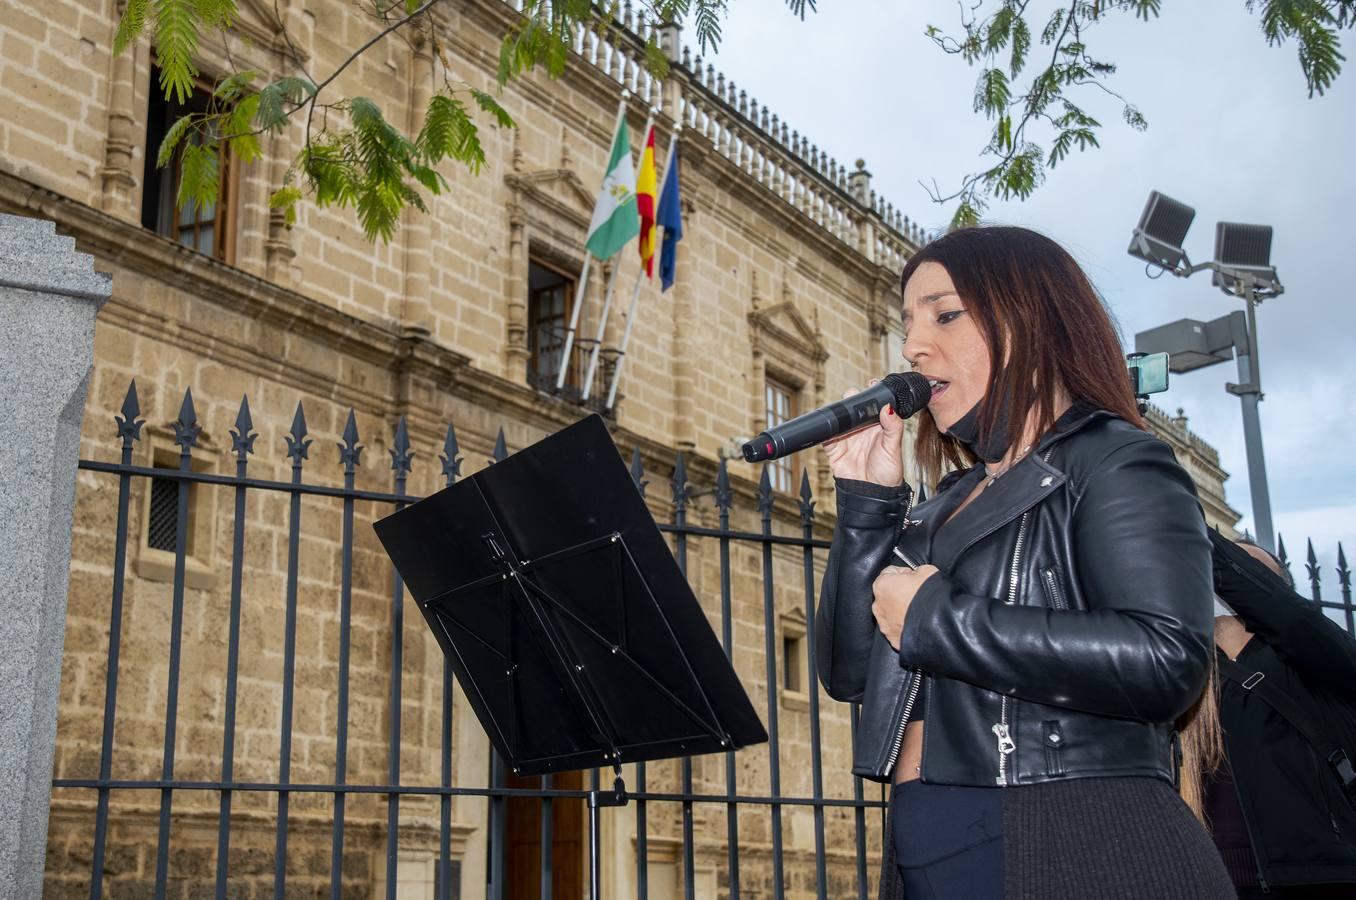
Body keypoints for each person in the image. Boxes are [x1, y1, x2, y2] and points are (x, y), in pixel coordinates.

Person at [814, 226, 1233, 899]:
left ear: (1030, 318)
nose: (915, 345)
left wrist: (935, 618)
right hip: (933, 847)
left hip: (1074, 837)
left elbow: (1166, 659)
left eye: (946, 314)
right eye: (908, 322)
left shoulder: (1114, 459)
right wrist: (868, 505)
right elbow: (848, 673)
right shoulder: (942, 504)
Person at [1206, 531, 1356, 897]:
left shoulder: (1323, 661)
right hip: (1211, 878)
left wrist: (1188, 528)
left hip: (1318, 874)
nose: (1233, 577)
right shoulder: (1183, 671)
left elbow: (1289, 618)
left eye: (1251, 571)